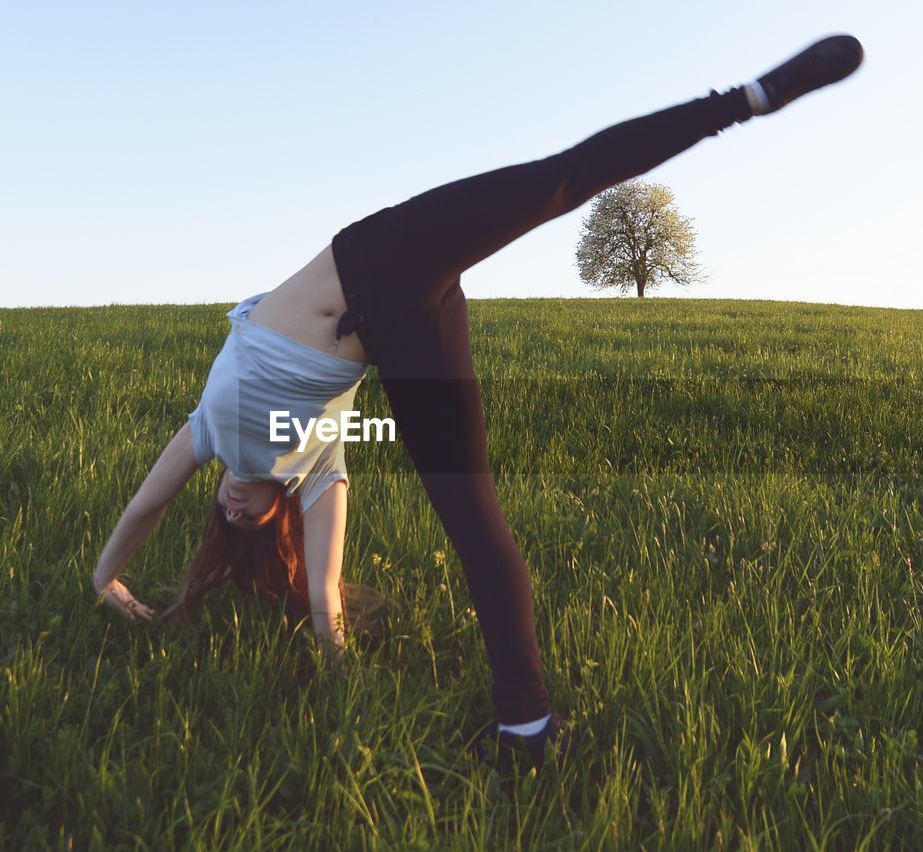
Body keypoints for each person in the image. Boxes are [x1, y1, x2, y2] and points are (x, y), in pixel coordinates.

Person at [90, 34, 864, 768]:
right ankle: (526, 721)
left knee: (560, 181)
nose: (228, 503)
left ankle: (747, 99)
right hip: (404, 335)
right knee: (473, 515)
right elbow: (325, 601)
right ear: (273, 515)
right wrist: (339, 685)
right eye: (245, 516)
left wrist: (106, 582)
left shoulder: (209, 437)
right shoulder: (317, 472)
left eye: (222, 510)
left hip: (381, 254)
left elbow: (144, 509)